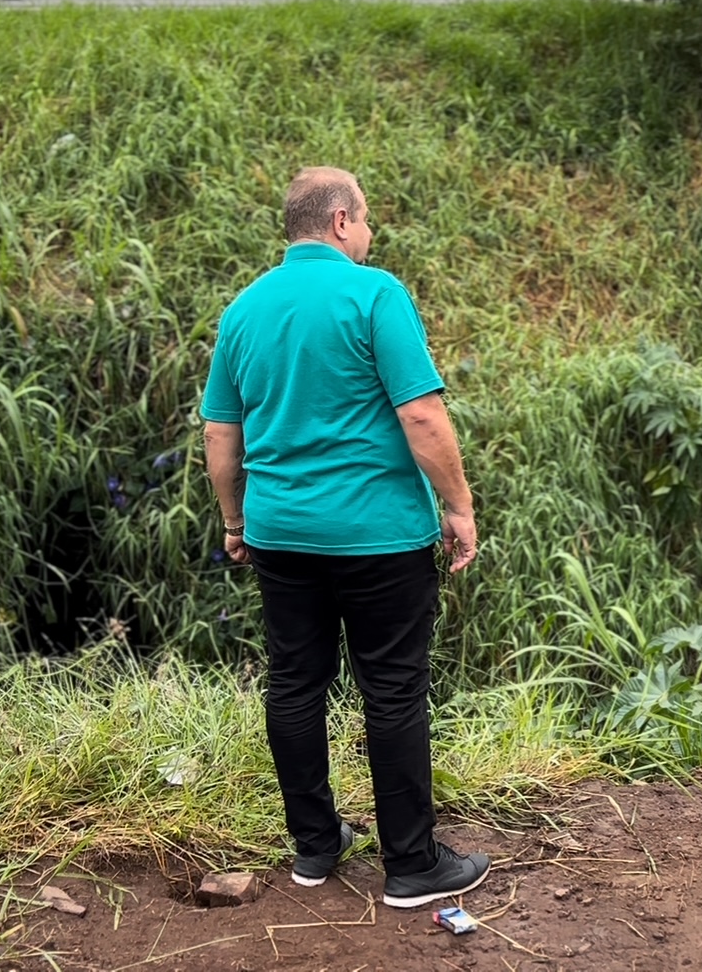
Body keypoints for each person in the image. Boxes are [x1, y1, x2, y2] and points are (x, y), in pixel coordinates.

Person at [201, 166, 490, 910]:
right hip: (377, 536)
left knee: (295, 682)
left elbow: (220, 434)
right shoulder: (375, 294)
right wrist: (458, 505)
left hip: (282, 534)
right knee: (392, 689)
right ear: (338, 222)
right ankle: (412, 866)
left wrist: (235, 522)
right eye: (365, 221)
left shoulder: (245, 309)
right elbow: (422, 416)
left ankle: (315, 848)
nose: (369, 234)